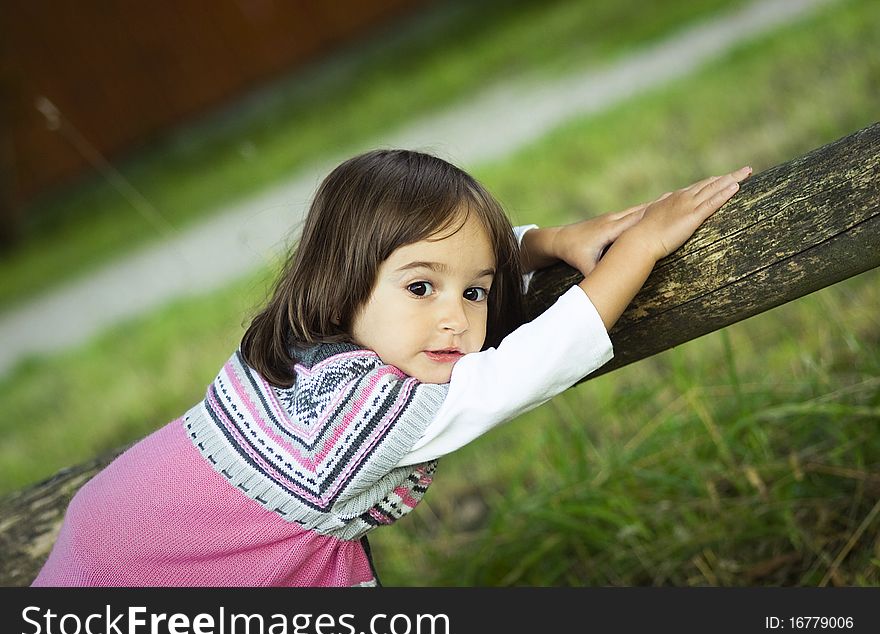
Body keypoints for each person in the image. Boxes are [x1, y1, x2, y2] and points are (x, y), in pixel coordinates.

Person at [33, 149, 750, 587]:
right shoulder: (371, 416)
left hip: (122, 524)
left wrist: (548, 241)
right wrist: (641, 247)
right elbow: (530, 365)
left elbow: (447, 261)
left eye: (476, 291)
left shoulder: (299, 343)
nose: (456, 317)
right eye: (420, 289)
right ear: (344, 280)